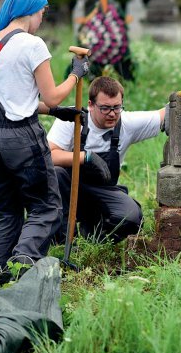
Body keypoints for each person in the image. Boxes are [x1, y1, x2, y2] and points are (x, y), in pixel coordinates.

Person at [0, 0, 90, 272]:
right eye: (42, 13)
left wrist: (56, 112)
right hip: (20, 141)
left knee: (6, 211)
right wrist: (75, 75)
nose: (41, 20)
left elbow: (12, 99)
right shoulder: (33, 44)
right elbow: (51, 94)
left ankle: (1, 275)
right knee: (46, 208)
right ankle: (22, 264)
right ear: (31, 11)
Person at [47, 76, 165, 243]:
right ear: (90, 105)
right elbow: (49, 155)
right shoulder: (72, 119)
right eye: (105, 108)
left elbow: (166, 115)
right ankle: (62, 240)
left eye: (117, 107)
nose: (112, 114)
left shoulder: (127, 123)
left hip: (103, 191)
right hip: (70, 187)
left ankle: (94, 235)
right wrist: (86, 157)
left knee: (131, 218)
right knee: (56, 174)